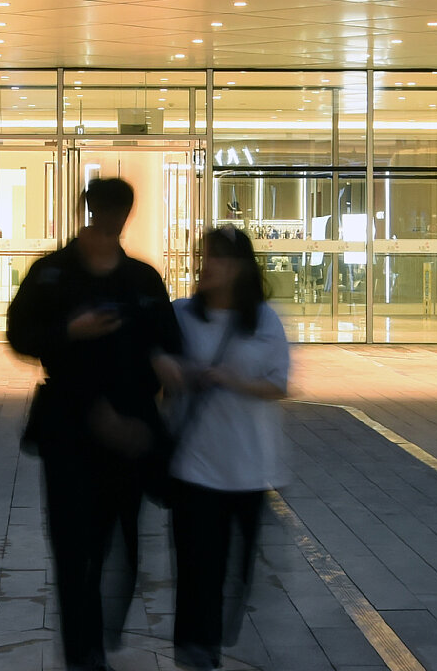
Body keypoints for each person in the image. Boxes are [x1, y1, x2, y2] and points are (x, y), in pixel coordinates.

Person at [7, 175, 182, 671]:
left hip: (128, 433)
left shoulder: (142, 280)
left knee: (120, 544)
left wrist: (164, 366)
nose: (112, 220)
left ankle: (97, 633)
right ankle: (85, 652)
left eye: (118, 212)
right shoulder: (53, 274)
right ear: (93, 211)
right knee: (73, 546)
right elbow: (20, 335)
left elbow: (167, 341)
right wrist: (69, 331)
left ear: (125, 216)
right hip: (69, 430)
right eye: (106, 211)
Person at [167, 224, 292, 671]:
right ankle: (196, 650)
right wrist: (164, 367)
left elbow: (278, 384)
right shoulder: (181, 314)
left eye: (217, 257)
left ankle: (210, 640)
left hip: (250, 468)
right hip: (193, 466)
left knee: (236, 572)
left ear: (239, 268)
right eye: (204, 256)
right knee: (198, 568)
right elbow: (146, 352)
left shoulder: (264, 320)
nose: (206, 265)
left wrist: (229, 380)